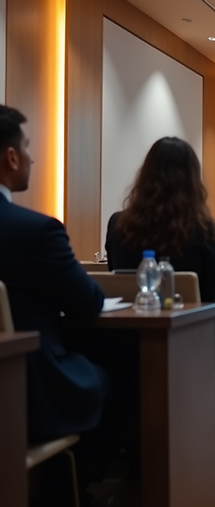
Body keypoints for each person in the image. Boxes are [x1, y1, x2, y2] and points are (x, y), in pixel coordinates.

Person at [0, 105, 109, 504]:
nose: (31, 157)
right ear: (11, 157)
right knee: (114, 375)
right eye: (27, 147)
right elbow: (88, 303)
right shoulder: (36, 230)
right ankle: (70, 491)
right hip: (27, 386)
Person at [105, 137, 215, 359]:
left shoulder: (118, 223)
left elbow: (114, 272)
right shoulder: (201, 227)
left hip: (127, 337)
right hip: (192, 336)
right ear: (193, 179)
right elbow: (209, 293)